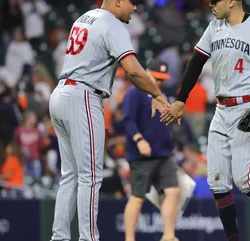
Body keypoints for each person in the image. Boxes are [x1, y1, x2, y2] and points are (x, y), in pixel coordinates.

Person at [161, 0, 250, 240]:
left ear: (231, 1)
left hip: (249, 107)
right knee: (216, 183)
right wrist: (180, 100)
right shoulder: (213, 26)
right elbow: (196, 62)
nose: (210, 4)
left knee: (244, 181)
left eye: (215, 0)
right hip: (220, 108)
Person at [48, 1, 170, 241]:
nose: (134, 8)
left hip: (61, 93)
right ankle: (88, 238)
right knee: (90, 176)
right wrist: (158, 94)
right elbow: (133, 71)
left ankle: (59, 237)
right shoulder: (112, 24)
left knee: (70, 175)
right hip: (83, 95)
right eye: (132, 2)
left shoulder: (84, 17)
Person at [122, 59, 181, 241]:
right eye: (156, 77)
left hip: (163, 152)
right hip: (142, 155)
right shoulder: (135, 93)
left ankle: (168, 235)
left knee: (173, 191)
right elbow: (128, 120)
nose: (159, 82)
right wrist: (139, 140)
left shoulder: (164, 95)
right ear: (147, 72)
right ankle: (130, 238)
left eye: (162, 79)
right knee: (138, 196)